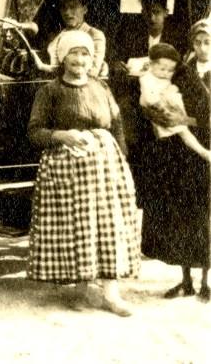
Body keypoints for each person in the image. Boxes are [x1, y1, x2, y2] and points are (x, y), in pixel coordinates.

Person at [27, 30, 140, 316]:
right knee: (76, 229)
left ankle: (111, 295)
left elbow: (116, 124)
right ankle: (79, 291)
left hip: (104, 167)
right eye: (74, 53)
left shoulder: (101, 87)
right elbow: (34, 132)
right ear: (63, 58)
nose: (80, 59)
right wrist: (63, 136)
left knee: (108, 227)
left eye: (85, 53)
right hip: (67, 168)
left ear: (92, 59)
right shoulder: (49, 91)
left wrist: (121, 161)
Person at [140, 18, 211, 302]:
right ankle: (186, 280)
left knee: (206, 215)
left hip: (207, 149)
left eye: (208, 42)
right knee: (183, 215)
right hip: (182, 153)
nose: (203, 47)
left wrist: (188, 119)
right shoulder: (182, 71)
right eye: (198, 42)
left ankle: (206, 280)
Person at [138, 42, 211, 159]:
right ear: (151, 64)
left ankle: (202, 151)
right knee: (180, 134)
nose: (166, 73)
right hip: (162, 111)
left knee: (185, 133)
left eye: (170, 70)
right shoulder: (147, 78)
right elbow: (148, 98)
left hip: (186, 118)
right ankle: (201, 151)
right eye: (163, 69)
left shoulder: (181, 71)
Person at [39, 0, 106, 77]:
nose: (67, 12)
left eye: (73, 7)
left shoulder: (94, 35)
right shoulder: (59, 35)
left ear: (84, 9)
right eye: (63, 7)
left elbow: (92, 71)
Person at [114, 0, 183, 68]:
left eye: (156, 12)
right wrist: (119, 65)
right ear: (142, 12)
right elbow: (120, 60)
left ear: (166, 13)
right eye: (147, 12)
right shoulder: (132, 38)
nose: (152, 18)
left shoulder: (176, 40)